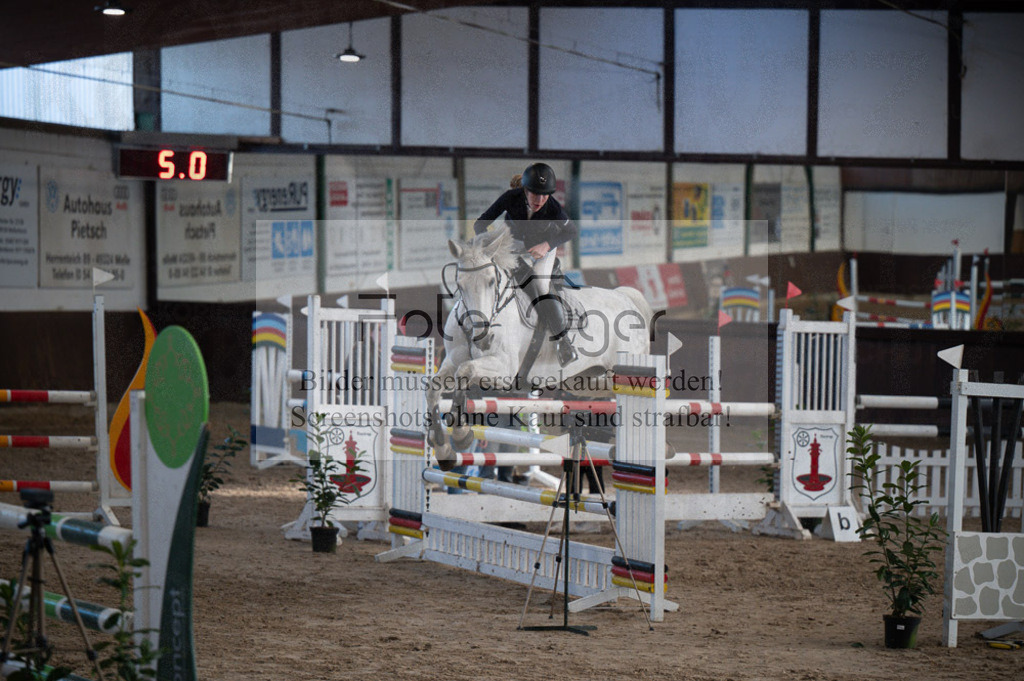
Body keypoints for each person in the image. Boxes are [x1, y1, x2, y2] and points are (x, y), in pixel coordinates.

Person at [473, 163, 578, 367]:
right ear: (524, 190)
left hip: (543, 248)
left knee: (539, 285)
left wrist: (546, 245)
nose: (539, 200)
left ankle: (563, 342)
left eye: (545, 195)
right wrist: (490, 242)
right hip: (513, 244)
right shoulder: (510, 198)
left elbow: (571, 231)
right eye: (534, 194)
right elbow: (480, 224)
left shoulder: (553, 207)